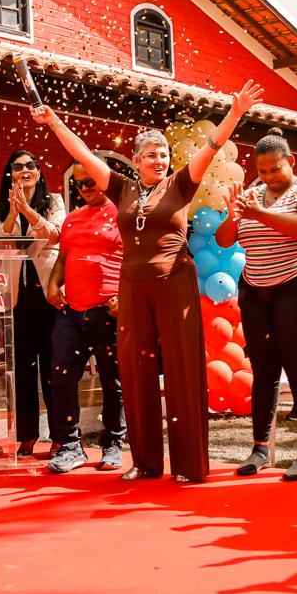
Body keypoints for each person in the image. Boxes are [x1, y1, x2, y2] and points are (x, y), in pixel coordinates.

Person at [33, 80, 265, 483]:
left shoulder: (180, 183)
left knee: (181, 370)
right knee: (135, 371)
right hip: (132, 287)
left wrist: (235, 112)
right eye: (152, 155)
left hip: (175, 283)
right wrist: (54, 122)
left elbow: (212, 146)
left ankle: (189, 465)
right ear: (137, 160)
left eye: (164, 154)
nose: (160, 160)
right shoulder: (121, 188)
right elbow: (83, 154)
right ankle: (144, 462)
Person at [214, 128, 297, 481]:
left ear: (290, 161)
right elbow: (224, 240)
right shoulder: (251, 195)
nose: (268, 177)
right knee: (263, 372)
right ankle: (260, 449)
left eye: (275, 169)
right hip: (256, 289)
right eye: (262, 171)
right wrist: (234, 214)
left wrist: (260, 213)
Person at [44, 163, 126, 473]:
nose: (85, 188)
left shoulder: (123, 213)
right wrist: (53, 284)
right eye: (78, 184)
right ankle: (69, 446)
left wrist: (124, 296)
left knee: (113, 381)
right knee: (61, 377)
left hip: (108, 310)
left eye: (90, 181)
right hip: (72, 311)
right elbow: (63, 257)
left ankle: (113, 443)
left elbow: (136, 258)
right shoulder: (72, 218)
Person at [0, 148, 66, 457]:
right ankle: (27, 435)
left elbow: (54, 236)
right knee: (22, 367)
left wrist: (29, 211)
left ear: (38, 171)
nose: (24, 170)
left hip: (48, 291)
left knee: (52, 365)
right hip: (17, 295)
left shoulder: (54, 201)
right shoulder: (0, 205)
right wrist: (13, 210)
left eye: (30, 165)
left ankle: (61, 435)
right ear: (10, 174)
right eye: (17, 166)